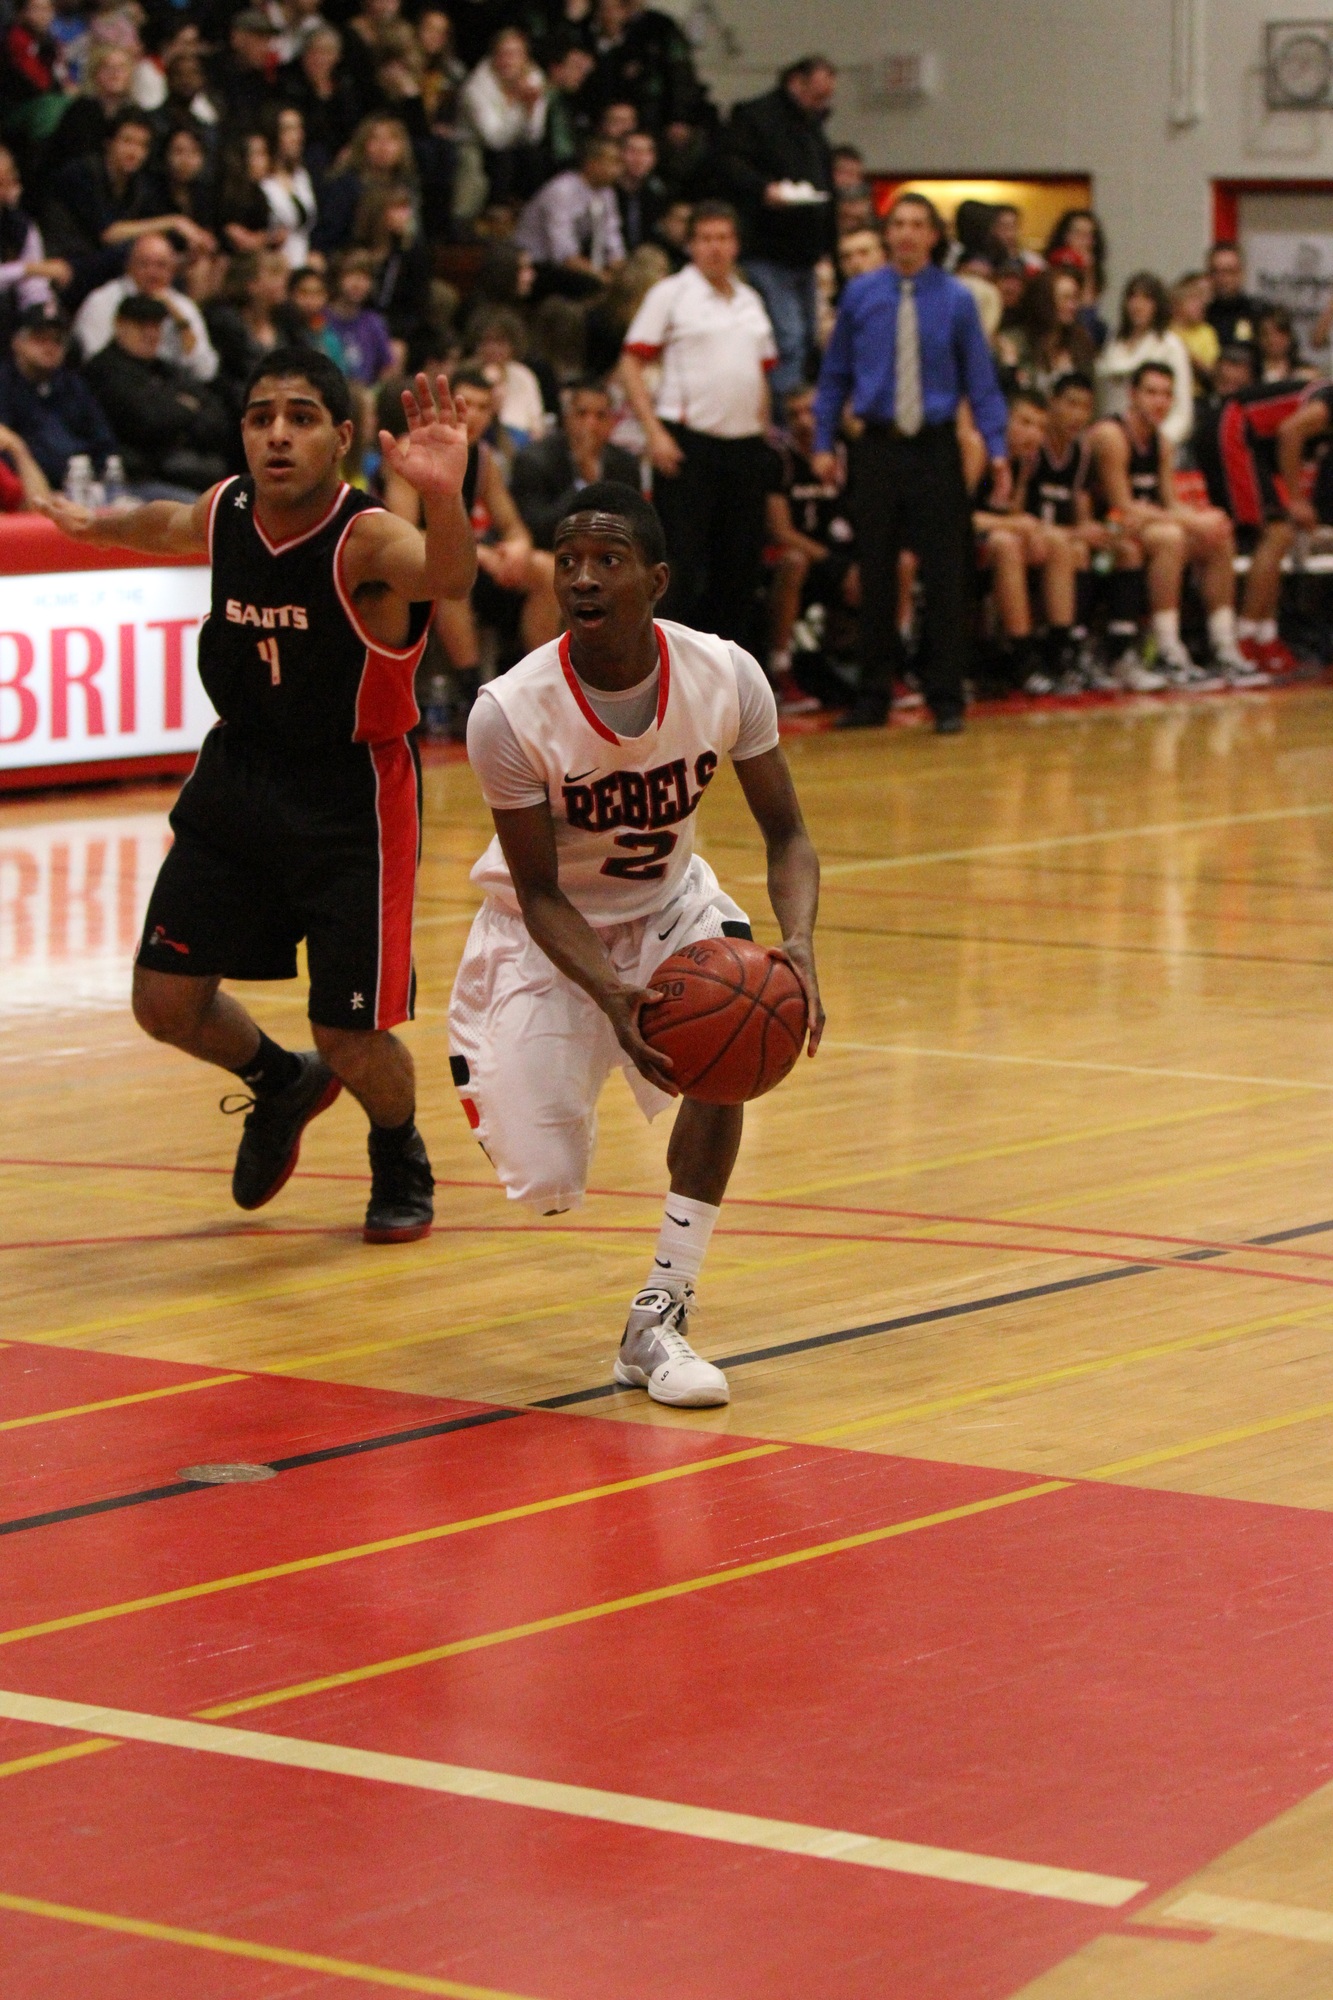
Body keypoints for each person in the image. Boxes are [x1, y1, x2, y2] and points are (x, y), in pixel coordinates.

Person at [38, 353, 476, 1240]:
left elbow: (447, 576)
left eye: (301, 417)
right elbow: (164, 524)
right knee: (165, 1003)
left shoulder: (367, 540)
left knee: (350, 1034)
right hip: (239, 777)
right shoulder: (228, 510)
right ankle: (282, 1081)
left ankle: (398, 1149)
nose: (278, 434)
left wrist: (443, 494)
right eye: (260, 416)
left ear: (341, 438)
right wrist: (94, 524)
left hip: (350, 796)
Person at [449, 479, 823, 1406]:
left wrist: (799, 942)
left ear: (654, 579)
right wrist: (610, 998)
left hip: (669, 908)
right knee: (544, 1180)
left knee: (730, 1041)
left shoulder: (724, 674)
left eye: (607, 560)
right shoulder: (509, 711)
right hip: (545, 935)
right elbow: (540, 891)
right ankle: (485, 1050)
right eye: (568, 560)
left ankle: (661, 1309)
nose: (582, 577)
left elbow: (787, 834)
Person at [813, 190, 1009, 732]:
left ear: (933, 235)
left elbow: (981, 380)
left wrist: (996, 450)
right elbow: (835, 375)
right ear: (887, 233)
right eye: (898, 224)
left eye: (917, 224)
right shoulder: (860, 295)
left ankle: (945, 696)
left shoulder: (956, 298)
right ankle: (873, 693)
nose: (906, 233)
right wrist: (823, 441)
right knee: (876, 569)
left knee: (946, 573)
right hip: (876, 445)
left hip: (936, 446)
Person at [619, 199, 775, 647]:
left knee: (741, 565)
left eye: (723, 238)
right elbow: (631, 363)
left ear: (736, 245)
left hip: (745, 446)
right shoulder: (670, 294)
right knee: (682, 566)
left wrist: (763, 428)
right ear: (690, 245)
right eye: (705, 238)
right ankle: (671, 666)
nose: (715, 247)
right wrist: (654, 433)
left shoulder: (749, 300)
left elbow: (761, 371)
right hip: (689, 445)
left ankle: (732, 670)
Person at [386, 363, 559, 731]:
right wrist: (479, 554)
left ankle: (538, 686)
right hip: (407, 570)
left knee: (546, 569)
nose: (475, 415)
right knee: (452, 578)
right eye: (467, 405)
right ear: (446, 406)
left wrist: (518, 548)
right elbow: (402, 533)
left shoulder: (482, 458)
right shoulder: (410, 449)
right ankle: (473, 693)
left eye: (484, 407)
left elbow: (513, 525)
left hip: (464, 558)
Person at [1090, 359, 1260, 689]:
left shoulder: (1162, 442)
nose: (1160, 401)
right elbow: (1121, 507)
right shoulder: (1111, 435)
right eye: (1151, 392)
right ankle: (1166, 649)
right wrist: (1190, 521)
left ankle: (1224, 646)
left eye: (1167, 394)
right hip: (1104, 533)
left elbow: (1169, 503)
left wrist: (1202, 519)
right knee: (1170, 536)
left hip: (1141, 526)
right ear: (1132, 395)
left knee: (1218, 535)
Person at [722, 54, 835, 400]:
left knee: (806, 336)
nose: (822, 103)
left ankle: (797, 406)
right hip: (768, 246)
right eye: (817, 94)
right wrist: (763, 190)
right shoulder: (754, 117)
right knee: (787, 338)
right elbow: (729, 166)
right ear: (796, 83)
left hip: (804, 249)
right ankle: (786, 412)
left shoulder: (812, 125)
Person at [764, 378, 856, 712]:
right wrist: (831, 560)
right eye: (795, 414)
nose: (804, 421)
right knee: (795, 561)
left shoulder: (845, 453)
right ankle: (780, 669)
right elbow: (780, 531)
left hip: (840, 551)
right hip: (801, 557)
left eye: (810, 412)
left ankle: (881, 664)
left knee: (890, 564)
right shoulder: (780, 459)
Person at [84, 292, 231, 494]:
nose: (151, 334)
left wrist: (173, 413)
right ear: (120, 325)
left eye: (156, 326)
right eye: (142, 325)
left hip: (186, 470)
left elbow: (218, 417)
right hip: (137, 479)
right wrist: (188, 410)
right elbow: (146, 422)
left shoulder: (163, 368)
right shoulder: (104, 369)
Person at [72, 227, 219, 380]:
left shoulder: (182, 306)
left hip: (167, 384)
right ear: (129, 266)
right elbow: (92, 358)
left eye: (161, 265)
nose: (153, 273)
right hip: (118, 381)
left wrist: (181, 322)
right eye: (144, 264)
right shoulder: (103, 301)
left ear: (173, 270)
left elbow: (206, 371)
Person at [510, 374, 639, 546]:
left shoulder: (625, 464)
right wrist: (583, 483)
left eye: (600, 416)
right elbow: (537, 530)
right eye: (582, 414)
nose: (591, 424)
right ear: (567, 418)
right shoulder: (533, 460)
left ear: (611, 422)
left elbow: (636, 527)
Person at [0, 299, 115, 486]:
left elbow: (103, 442)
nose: (50, 347)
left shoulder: (73, 385)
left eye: (57, 340)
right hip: (25, 489)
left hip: (84, 486)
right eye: (40, 338)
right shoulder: (5, 384)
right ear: (17, 342)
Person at [514, 135, 624, 298]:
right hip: (536, 264)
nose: (619, 169)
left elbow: (612, 238)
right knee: (590, 285)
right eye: (613, 162)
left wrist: (623, 273)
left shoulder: (606, 193)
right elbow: (564, 254)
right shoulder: (561, 191)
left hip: (575, 262)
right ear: (591, 163)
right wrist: (604, 277)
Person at [1095, 271, 1194, 445]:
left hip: (1153, 442)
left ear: (1158, 305)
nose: (1138, 305)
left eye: (1146, 299)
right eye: (1133, 297)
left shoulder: (1170, 345)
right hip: (1112, 439)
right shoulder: (1114, 340)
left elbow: (1182, 410)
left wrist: (1160, 444)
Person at [1205, 241, 1258, 350]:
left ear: (1241, 273)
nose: (1222, 279)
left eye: (1229, 271)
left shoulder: (1257, 313)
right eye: (1216, 271)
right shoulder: (1201, 315)